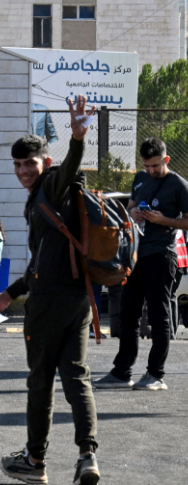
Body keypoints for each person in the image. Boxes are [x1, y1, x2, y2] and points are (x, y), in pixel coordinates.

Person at [0, 95, 100, 485]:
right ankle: (87, 456)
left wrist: (78, 137)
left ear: (44, 163)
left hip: (50, 304)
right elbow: (39, 260)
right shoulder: (44, 197)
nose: (22, 171)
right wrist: (9, 293)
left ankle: (35, 462)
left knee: (41, 380)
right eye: (17, 165)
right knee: (77, 377)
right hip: (78, 298)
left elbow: (68, 168)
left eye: (29, 163)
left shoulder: (52, 183)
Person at [95, 137, 188, 392]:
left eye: (155, 166)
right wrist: (133, 213)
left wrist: (164, 219)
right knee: (128, 313)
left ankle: (155, 374)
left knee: (159, 316)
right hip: (137, 256)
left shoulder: (179, 185)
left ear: (166, 160)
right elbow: (130, 208)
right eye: (147, 166)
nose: (151, 171)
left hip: (162, 255)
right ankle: (121, 372)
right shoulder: (140, 179)